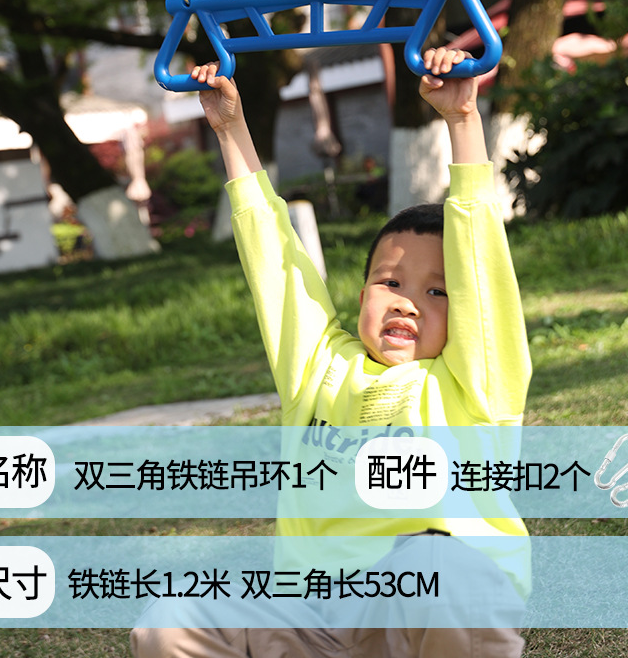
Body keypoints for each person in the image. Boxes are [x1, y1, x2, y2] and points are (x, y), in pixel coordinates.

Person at [131, 47, 532, 658]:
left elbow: (480, 254)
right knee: (173, 619)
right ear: (364, 294)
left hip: (423, 615)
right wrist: (230, 127)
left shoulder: (476, 382)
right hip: (315, 618)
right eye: (390, 283)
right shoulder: (320, 366)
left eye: (438, 291)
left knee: (438, 561)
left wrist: (462, 120)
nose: (407, 304)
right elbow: (275, 260)